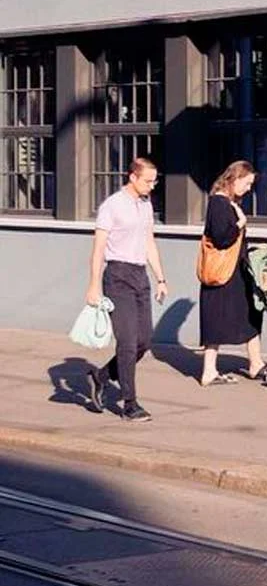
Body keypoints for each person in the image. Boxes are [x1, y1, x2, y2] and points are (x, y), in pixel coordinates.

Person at [85, 158, 168, 422]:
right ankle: (130, 405)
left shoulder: (145, 204)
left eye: (155, 181)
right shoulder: (112, 206)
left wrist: (160, 279)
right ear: (132, 177)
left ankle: (100, 377)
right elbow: (98, 248)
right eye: (148, 181)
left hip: (139, 275)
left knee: (144, 341)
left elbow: (149, 242)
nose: (152, 186)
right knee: (128, 342)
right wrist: (94, 285)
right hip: (117, 277)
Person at [198, 161, 265, 386]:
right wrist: (240, 223)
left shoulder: (226, 202)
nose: (248, 188)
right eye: (247, 183)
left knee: (250, 314)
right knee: (220, 319)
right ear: (234, 179)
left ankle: (255, 363)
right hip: (224, 274)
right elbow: (221, 237)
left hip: (234, 273)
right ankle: (210, 370)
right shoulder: (219, 203)